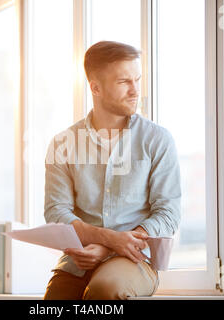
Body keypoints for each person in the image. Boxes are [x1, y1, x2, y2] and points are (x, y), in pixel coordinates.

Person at [43, 41, 181, 300]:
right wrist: (106, 238)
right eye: (123, 82)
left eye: (137, 79)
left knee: (105, 290)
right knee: (54, 300)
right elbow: (55, 212)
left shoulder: (158, 140)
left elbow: (168, 213)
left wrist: (108, 248)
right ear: (95, 87)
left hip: (135, 261)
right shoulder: (62, 143)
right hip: (77, 261)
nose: (135, 90)